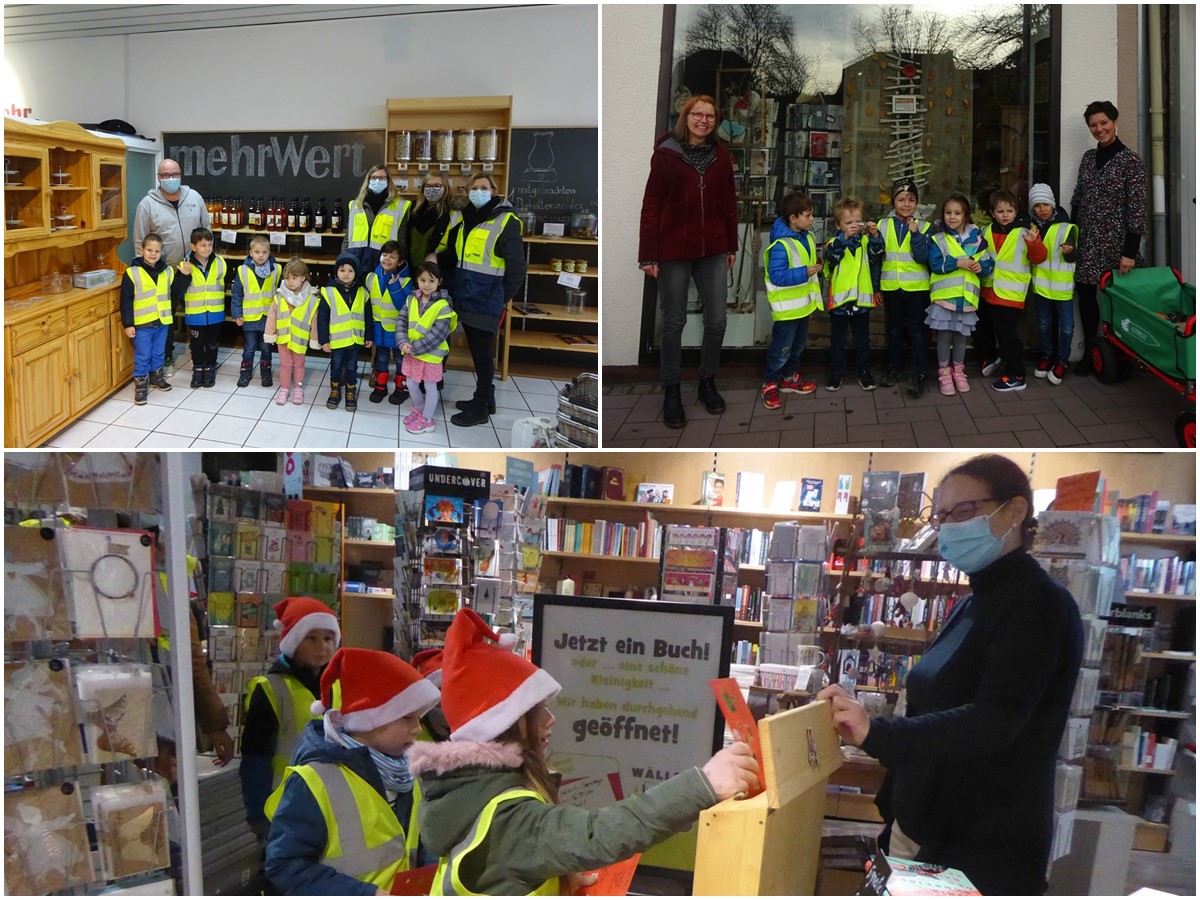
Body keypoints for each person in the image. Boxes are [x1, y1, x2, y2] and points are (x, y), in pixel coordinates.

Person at [818, 453, 1084, 895]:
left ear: (1015, 511)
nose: (949, 526)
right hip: (924, 826)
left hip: (981, 843)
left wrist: (879, 733)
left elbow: (995, 721)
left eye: (964, 511)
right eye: (942, 515)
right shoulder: (972, 602)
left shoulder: (1040, 606)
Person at [407, 609, 760, 896]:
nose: (550, 721)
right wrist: (705, 784)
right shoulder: (508, 817)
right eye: (537, 712)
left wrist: (549, 874)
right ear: (508, 725)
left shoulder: (477, 796)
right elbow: (598, 833)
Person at [264, 647, 440, 895]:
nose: (416, 728)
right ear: (369, 720)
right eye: (406, 718)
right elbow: (284, 865)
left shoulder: (407, 773)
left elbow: (419, 843)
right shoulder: (315, 781)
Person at [638, 94, 739, 428]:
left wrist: (731, 245)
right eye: (698, 114)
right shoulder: (667, 154)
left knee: (718, 321)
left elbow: (728, 203)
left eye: (710, 116)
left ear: (715, 122)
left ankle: (707, 382)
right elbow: (652, 204)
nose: (703, 120)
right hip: (673, 250)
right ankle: (671, 390)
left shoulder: (722, 156)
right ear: (686, 117)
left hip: (713, 250)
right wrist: (648, 254)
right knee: (673, 322)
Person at [241, 597, 340, 840]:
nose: (323, 647)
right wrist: (257, 812)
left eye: (328, 639)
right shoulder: (270, 688)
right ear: (293, 641)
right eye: (311, 638)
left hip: (332, 801)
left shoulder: (338, 686)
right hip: (283, 804)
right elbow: (255, 758)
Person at [437, 173, 525, 427]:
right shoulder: (467, 221)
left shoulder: (506, 221)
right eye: (474, 188)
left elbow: (517, 269)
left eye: (483, 188)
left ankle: (480, 407)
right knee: (479, 352)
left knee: (483, 354)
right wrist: (429, 263)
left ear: (494, 190)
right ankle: (487, 397)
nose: (478, 192)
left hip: (487, 298)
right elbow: (454, 257)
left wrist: (500, 298)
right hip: (466, 294)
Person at [1069, 100, 1147, 376]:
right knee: (1087, 296)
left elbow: (1137, 210)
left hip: (1118, 245)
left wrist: (1130, 251)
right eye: (1093, 125)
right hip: (1089, 243)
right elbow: (1078, 198)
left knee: (1120, 301)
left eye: (1104, 123)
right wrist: (1072, 235)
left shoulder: (1131, 161)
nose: (1099, 129)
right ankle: (1092, 354)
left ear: (1114, 122)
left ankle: (1124, 356)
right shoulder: (1089, 158)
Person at [133, 158, 210, 376]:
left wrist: (204, 257)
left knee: (197, 311)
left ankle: (203, 355)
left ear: (180, 175)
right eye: (166, 175)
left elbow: (206, 228)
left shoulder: (194, 197)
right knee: (165, 317)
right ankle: (166, 358)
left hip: (194, 267)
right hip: (164, 272)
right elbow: (140, 241)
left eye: (174, 174)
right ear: (158, 177)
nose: (171, 179)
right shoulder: (147, 204)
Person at [914, 194, 992, 396]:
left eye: (957, 213)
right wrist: (958, 262)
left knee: (960, 338)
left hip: (966, 299)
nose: (952, 217)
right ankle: (944, 374)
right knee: (944, 337)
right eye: (948, 213)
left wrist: (979, 266)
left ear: (965, 216)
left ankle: (959, 372)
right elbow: (935, 264)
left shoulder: (978, 240)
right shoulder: (938, 238)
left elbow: (989, 264)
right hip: (944, 299)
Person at [977, 189, 1046, 392]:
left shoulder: (1026, 232)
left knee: (1008, 335)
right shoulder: (986, 231)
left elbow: (1039, 257)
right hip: (987, 290)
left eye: (1009, 210)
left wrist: (1034, 243)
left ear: (1016, 211)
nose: (1005, 214)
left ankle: (1016, 374)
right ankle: (993, 358)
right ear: (992, 212)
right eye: (1000, 211)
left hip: (1010, 294)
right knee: (984, 329)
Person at [759, 191, 821, 410]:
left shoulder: (808, 236)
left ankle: (788, 377)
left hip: (802, 307)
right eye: (808, 215)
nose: (812, 219)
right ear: (793, 218)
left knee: (796, 345)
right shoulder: (780, 245)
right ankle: (770, 383)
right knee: (781, 348)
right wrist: (805, 272)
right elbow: (777, 276)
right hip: (786, 310)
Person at [877, 179, 934, 398]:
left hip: (917, 288)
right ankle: (893, 367)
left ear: (917, 202)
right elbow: (876, 258)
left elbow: (923, 257)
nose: (906, 204)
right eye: (901, 199)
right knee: (894, 329)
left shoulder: (927, 226)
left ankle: (920, 372)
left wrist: (916, 234)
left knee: (918, 331)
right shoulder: (883, 225)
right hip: (891, 287)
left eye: (911, 200)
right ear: (893, 202)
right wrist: (875, 288)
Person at [824, 196, 884, 392]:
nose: (853, 226)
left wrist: (875, 236)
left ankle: (864, 372)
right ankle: (836, 373)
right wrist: (844, 239)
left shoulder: (866, 241)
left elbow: (877, 254)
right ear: (839, 225)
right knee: (838, 342)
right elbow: (831, 257)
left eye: (857, 222)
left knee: (862, 342)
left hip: (861, 303)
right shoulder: (834, 242)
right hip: (841, 303)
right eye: (848, 223)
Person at [398, 262, 458, 436]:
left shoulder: (443, 305)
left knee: (431, 387)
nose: (426, 284)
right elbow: (401, 321)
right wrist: (402, 342)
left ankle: (427, 419)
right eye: (422, 280)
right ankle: (420, 409)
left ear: (439, 282)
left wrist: (413, 348)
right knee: (411, 383)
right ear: (417, 280)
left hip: (430, 356)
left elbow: (438, 334)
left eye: (431, 281)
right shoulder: (411, 299)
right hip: (411, 353)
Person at [1028, 184, 1079, 385]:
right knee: (1044, 324)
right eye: (1037, 205)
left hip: (1063, 287)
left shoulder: (1067, 227)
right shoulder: (1030, 226)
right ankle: (1046, 356)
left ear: (1053, 204)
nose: (1042, 209)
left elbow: (1075, 256)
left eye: (1046, 204)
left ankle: (1062, 360)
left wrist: (1070, 252)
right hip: (1041, 286)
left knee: (1066, 328)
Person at [120, 233, 174, 406]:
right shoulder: (131, 273)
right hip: (142, 324)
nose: (153, 254)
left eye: (157, 251)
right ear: (141, 250)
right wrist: (128, 324)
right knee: (143, 354)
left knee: (159, 352)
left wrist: (186, 275)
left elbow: (174, 292)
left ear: (161, 252)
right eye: (149, 250)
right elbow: (126, 301)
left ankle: (156, 376)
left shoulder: (167, 271)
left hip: (162, 322)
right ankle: (141, 384)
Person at [317, 251, 373, 412]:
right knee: (336, 365)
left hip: (355, 339)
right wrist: (324, 340)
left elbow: (368, 317)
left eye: (350, 270)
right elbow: (322, 319)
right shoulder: (328, 292)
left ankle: (350, 391)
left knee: (351, 367)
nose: (346, 274)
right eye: (342, 270)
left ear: (356, 273)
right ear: (336, 272)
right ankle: (335, 390)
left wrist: (369, 336)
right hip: (336, 340)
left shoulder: (363, 293)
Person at [171, 226, 226, 390]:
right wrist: (185, 276)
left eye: (210, 244)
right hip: (195, 314)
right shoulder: (185, 265)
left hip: (215, 313)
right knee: (196, 344)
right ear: (193, 247)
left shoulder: (220, 262)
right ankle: (198, 369)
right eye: (203, 245)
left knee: (212, 343)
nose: (207, 248)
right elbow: (177, 291)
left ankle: (209, 369)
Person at [264, 258, 319, 406]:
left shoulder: (312, 300)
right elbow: (272, 317)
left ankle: (298, 388)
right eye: (287, 278)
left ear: (303, 278)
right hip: (283, 338)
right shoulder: (279, 297)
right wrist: (270, 334)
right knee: (285, 364)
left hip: (300, 340)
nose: (290, 282)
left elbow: (315, 321)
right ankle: (284, 388)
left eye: (294, 278)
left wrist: (315, 339)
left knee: (299, 364)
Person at [365, 240, 413, 405]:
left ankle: (401, 388)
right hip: (378, 326)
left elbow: (403, 305)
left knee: (400, 359)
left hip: (398, 328)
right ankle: (381, 386)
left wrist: (394, 287)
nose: (387, 259)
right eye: (384, 255)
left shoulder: (406, 281)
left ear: (400, 262)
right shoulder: (371, 277)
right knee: (382, 357)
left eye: (392, 257)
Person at [343, 164, 412, 276]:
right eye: (373, 178)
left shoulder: (400, 206)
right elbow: (347, 238)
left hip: (384, 265)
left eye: (381, 178)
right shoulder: (355, 205)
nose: (377, 181)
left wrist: (396, 264)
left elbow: (402, 242)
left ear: (388, 181)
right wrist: (344, 259)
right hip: (356, 262)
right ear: (368, 180)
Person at [231, 234, 280, 388]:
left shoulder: (276, 269)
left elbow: (281, 293)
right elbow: (237, 294)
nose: (261, 255)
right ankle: (245, 373)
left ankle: (266, 374)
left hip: (268, 318)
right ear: (250, 253)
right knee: (250, 347)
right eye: (257, 252)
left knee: (266, 347)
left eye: (264, 252)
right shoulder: (243, 270)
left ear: (269, 253)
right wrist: (237, 314)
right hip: (250, 317)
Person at [408, 173, 461, 265]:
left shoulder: (454, 213)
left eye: (437, 186)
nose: (431, 189)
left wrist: (437, 259)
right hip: (409, 267)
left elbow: (457, 248)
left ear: (446, 189)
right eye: (428, 186)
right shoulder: (412, 208)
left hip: (436, 270)